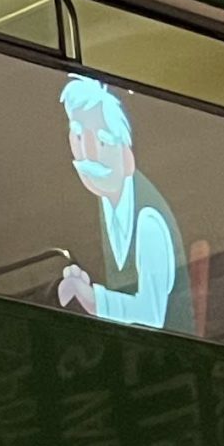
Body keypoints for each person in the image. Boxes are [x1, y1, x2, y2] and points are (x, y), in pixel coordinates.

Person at [56, 75, 190, 332]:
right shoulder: (105, 200)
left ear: (127, 156)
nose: (89, 154)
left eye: (103, 141)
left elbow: (152, 315)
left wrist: (93, 299)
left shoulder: (148, 220)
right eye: (79, 139)